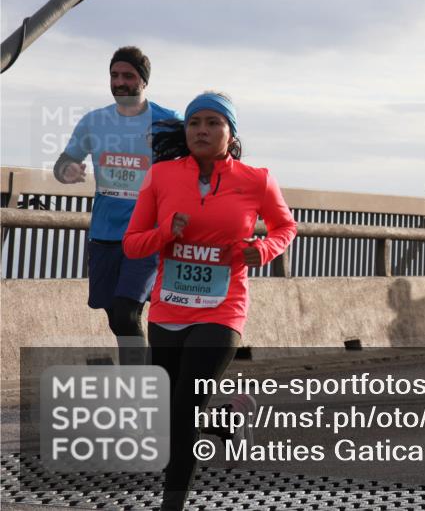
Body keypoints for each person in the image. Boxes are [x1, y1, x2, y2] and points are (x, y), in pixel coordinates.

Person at [123, 92, 297, 511]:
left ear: (230, 133)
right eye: (194, 122)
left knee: (184, 407)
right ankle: (225, 420)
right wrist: (165, 232)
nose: (202, 130)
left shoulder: (257, 180)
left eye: (213, 122)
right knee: (170, 415)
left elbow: (285, 227)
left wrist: (264, 248)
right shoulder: (161, 177)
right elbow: (132, 244)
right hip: (169, 307)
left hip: (222, 308)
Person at [53, 46, 181, 364]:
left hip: (148, 234)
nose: (120, 82)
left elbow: (197, 163)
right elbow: (63, 162)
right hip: (105, 234)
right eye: (114, 75)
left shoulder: (168, 122)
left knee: (127, 312)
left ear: (144, 80)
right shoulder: (94, 121)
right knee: (116, 316)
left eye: (128, 76)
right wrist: (68, 171)